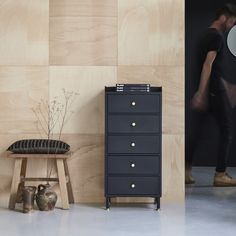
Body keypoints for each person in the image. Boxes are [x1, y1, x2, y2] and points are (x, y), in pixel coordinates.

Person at [186, 3, 236, 186]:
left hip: (212, 90)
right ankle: (220, 174)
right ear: (224, 17)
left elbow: (213, 70)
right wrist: (201, 92)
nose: (231, 25)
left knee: (197, 131)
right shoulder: (216, 37)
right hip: (214, 92)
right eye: (232, 21)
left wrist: (227, 86)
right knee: (227, 131)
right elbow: (208, 65)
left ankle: (185, 170)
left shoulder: (205, 35)